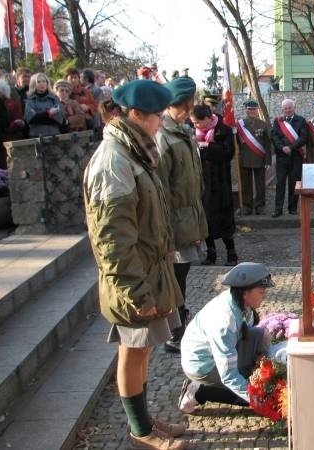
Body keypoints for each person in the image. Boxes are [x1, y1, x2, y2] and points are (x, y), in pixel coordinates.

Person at [83, 79, 188, 449]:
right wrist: (134, 289)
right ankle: (140, 433)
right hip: (133, 277)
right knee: (132, 349)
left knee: (144, 349)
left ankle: (142, 421)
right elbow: (112, 239)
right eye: (156, 116)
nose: (161, 122)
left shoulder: (134, 152)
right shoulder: (114, 160)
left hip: (147, 271)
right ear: (135, 115)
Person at [155, 77, 208, 354]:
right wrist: (166, 230)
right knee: (175, 274)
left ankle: (179, 323)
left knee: (183, 272)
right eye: (183, 108)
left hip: (189, 212)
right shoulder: (164, 135)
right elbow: (160, 187)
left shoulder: (181, 131)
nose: (188, 113)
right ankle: (174, 332)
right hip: (175, 217)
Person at [178, 262, 273, 412]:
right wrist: (257, 399)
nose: (265, 295)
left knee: (263, 336)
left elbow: (247, 331)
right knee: (255, 397)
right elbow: (229, 375)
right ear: (245, 293)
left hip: (227, 348)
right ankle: (198, 390)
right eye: (261, 291)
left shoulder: (240, 302)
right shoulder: (224, 322)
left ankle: (249, 375)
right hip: (204, 365)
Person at [191, 104, 238, 266]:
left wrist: (208, 146)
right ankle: (211, 253)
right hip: (203, 181)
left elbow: (228, 152)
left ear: (206, 119)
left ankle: (231, 253)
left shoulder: (223, 130)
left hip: (220, 182)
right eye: (193, 123)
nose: (195, 126)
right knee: (206, 219)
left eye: (197, 122)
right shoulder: (194, 133)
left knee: (223, 218)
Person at [271, 98, 308, 217]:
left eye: (289, 108)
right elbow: (275, 137)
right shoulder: (278, 121)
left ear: (294, 108)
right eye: (285, 108)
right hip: (282, 157)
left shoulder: (301, 120)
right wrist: (282, 148)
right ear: (282, 109)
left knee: (294, 183)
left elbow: (303, 137)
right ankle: (278, 209)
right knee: (280, 183)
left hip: (296, 156)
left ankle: (292, 208)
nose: (287, 110)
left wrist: (291, 147)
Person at [237, 99, 272, 215]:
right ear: (246, 110)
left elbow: (268, 144)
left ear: (257, 110)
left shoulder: (263, 124)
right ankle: (247, 206)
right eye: (249, 109)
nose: (252, 111)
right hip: (244, 159)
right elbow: (236, 143)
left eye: (254, 109)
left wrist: (268, 160)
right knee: (246, 185)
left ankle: (260, 206)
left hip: (259, 158)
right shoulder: (239, 125)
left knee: (260, 185)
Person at [24, 73, 66, 137]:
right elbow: (31, 119)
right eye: (38, 82)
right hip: (36, 136)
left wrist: (40, 117)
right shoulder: (30, 100)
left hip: (54, 135)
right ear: (34, 84)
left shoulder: (54, 99)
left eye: (44, 81)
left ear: (47, 83)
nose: (42, 83)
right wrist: (48, 113)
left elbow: (59, 119)